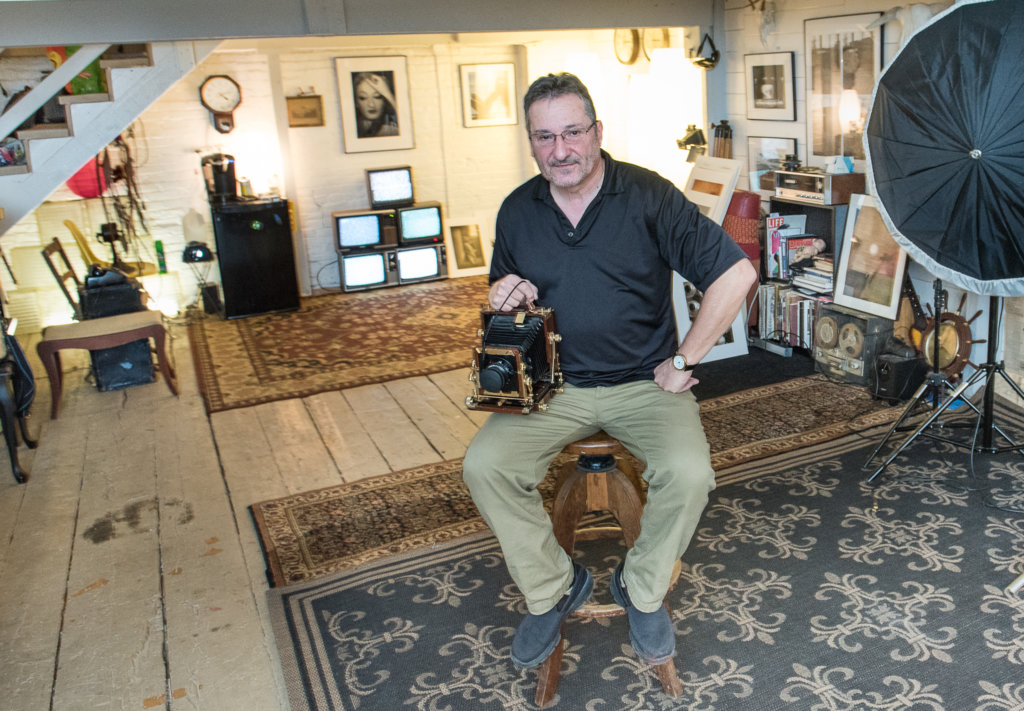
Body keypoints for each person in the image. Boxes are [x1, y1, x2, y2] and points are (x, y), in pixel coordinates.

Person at [461, 72, 757, 671]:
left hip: (644, 383)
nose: (560, 150)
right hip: (554, 386)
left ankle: (641, 589)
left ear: (597, 131)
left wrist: (684, 359)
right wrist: (502, 293)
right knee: (485, 466)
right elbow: (505, 293)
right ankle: (553, 587)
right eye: (545, 137)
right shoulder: (518, 209)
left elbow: (737, 274)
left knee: (689, 473)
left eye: (572, 132)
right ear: (530, 141)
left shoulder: (648, 196)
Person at [352, 72, 399, 138]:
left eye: (377, 97)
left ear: (385, 100)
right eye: (363, 97)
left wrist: (388, 94)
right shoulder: (352, 130)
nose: (371, 104)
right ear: (356, 102)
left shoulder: (393, 131)